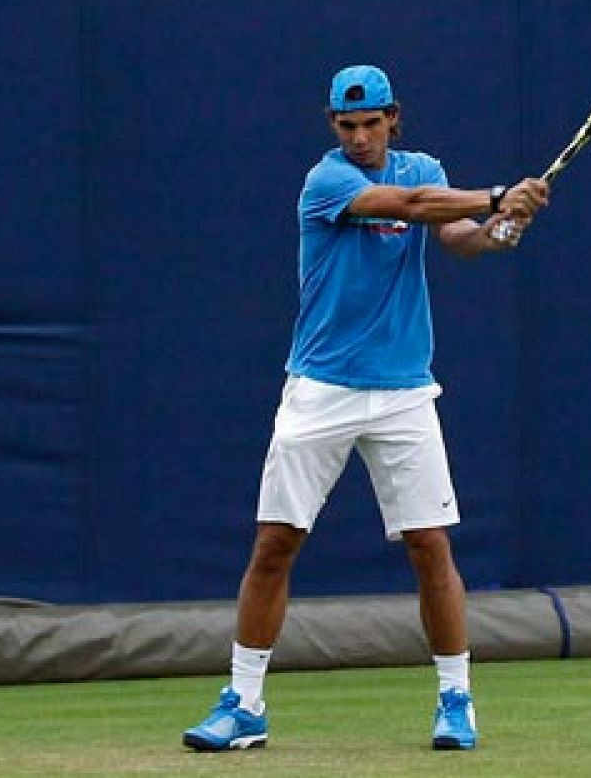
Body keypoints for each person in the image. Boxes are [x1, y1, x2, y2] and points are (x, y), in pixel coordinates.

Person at [182, 64, 549, 753]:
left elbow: (459, 238)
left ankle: (456, 701)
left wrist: (504, 226)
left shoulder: (426, 168)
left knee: (430, 545)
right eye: (346, 126)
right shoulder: (327, 182)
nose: (358, 137)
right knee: (274, 544)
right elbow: (408, 206)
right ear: (333, 126)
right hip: (320, 387)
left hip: (405, 390)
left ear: (393, 119)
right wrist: (498, 192)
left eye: (369, 124)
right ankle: (244, 704)